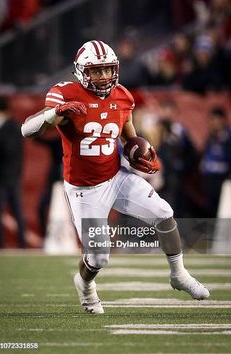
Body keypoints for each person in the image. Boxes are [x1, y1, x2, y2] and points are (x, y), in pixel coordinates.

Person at [21, 40, 209, 314]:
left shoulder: (122, 96)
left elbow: (129, 136)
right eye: (97, 71)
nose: (105, 76)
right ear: (82, 71)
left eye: (109, 70)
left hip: (116, 176)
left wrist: (142, 154)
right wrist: (55, 113)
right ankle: (85, 286)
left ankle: (178, 274)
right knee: (98, 257)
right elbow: (27, 130)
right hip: (84, 187)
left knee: (163, 212)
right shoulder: (65, 94)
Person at [0, 96, 26, 248]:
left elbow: (8, 150)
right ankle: (19, 243)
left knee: (3, 211)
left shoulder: (8, 126)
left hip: (5, 176)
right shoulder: (12, 126)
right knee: (15, 211)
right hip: (10, 175)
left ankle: (3, 244)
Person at [201, 106, 231, 217]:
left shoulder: (228, 138)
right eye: (210, 119)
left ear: (222, 120)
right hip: (210, 178)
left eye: (215, 119)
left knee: (223, 209)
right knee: (210, 208)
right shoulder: (210, 137)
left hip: (224, 179)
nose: (212, 123)